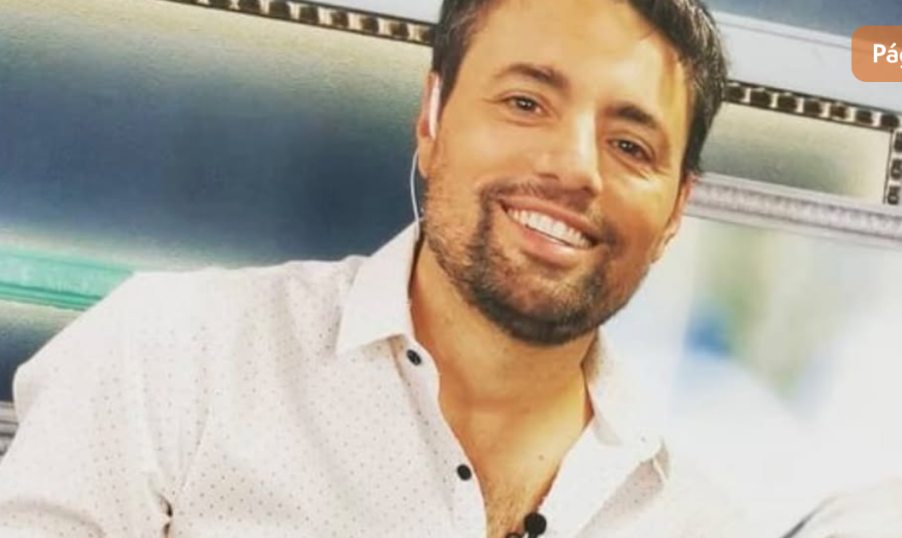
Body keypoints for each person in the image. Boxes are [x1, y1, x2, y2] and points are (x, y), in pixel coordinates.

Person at [0, 0, 741, 536]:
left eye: (631, 147)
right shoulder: (171, 357)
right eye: (525, 102)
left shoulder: (699, 520)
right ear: (432, 118)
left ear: (677, 208)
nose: (575, 167)